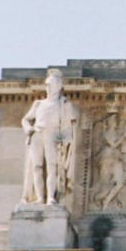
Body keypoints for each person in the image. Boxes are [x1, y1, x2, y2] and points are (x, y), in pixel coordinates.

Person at [20, 69, 80, 205]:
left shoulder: (64, 104)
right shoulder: (38, 104)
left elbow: (68, 127)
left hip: (52, 135)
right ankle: (40, 197)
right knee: (37, 167)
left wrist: (62, 142)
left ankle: (51, 197)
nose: (48, 87)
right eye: (47, 84)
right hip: (37, 134)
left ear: (58, 86)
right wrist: (28, 128)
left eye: (51, 84)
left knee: (52, 167)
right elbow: (26, 119)